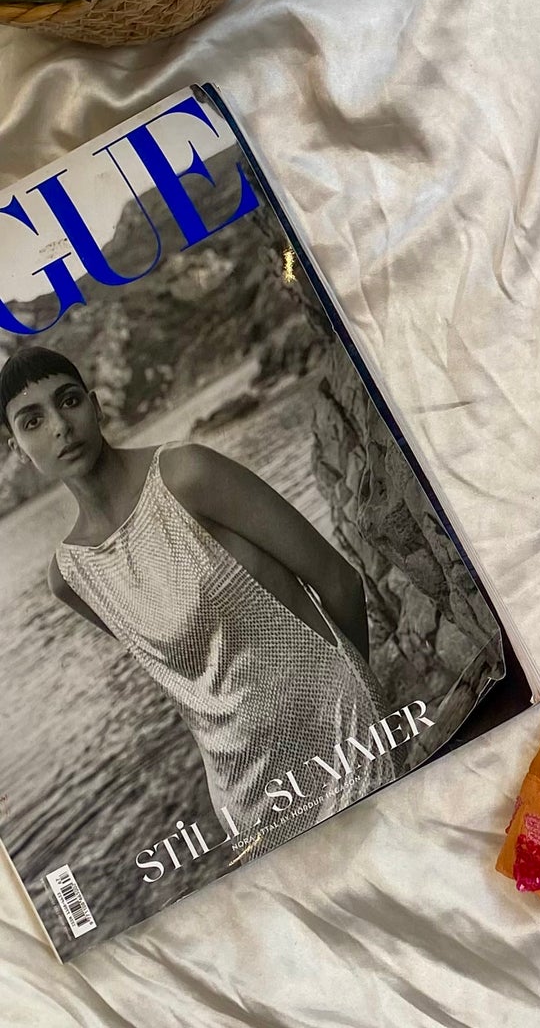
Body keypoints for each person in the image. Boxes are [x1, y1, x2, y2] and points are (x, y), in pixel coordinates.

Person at [1, 345, 397, 843]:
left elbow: (339, 581)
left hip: (345, 740)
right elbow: (185, 685)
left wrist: (363, 717)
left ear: (95, 406)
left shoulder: (187, 474)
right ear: (18, 450)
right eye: (33, 421)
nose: (60, 426)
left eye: (69, 400)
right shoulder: (70, 577)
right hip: (247, 800)